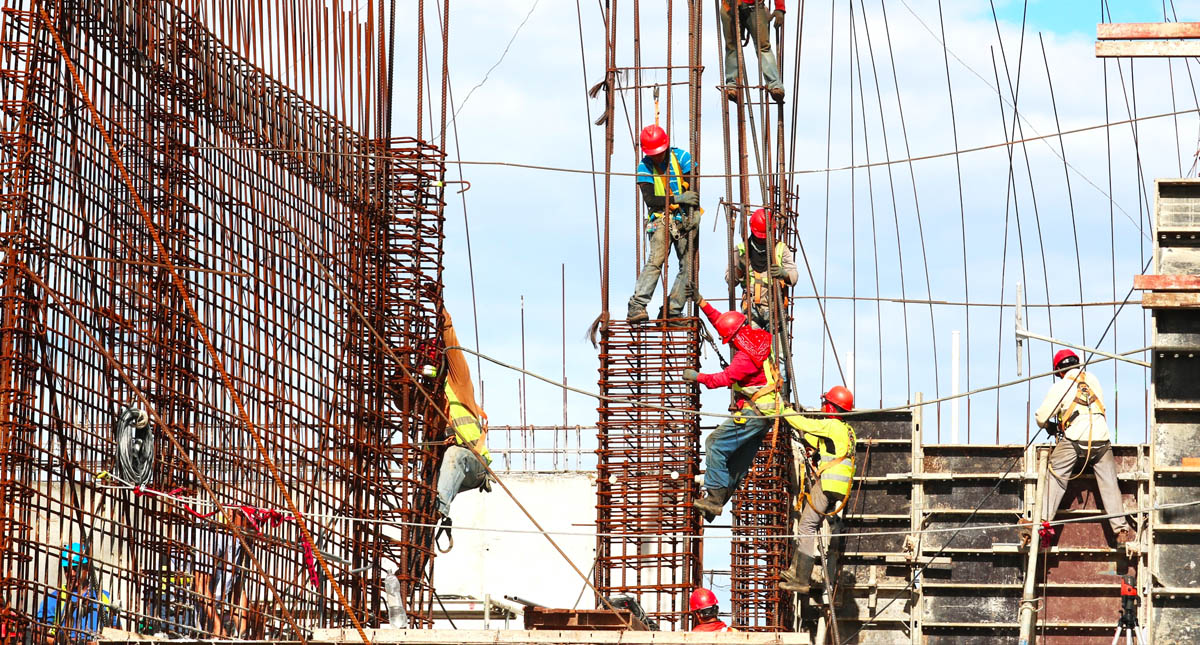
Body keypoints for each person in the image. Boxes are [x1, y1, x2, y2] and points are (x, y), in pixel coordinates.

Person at [1027, 348, 1135, 545]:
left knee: (1056, 475)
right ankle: (1120, 529)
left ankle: (1041, 522)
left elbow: (1041, 417)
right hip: (1102, 440)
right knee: (1110, 483)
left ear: (1059, 371)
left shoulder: (1061, 386)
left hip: (1076, 440)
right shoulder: (1093, 380)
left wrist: (1050, 426)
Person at [685, 297, 778, 521]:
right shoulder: (755, 338)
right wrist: (701, 302)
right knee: (737, 463)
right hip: (765, 412)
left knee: (714, 444)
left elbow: (725, 378)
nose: (729, 343)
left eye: (729, 340)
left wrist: (698, 377)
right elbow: (724, 323)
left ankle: (714, 499)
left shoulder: (745, 357)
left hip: (755, 412)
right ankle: (714, 505)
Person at [778, 386, 857, 593]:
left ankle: (802, 579)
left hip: (829, 483)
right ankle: (796, 569)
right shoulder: (847, 430)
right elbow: (819, 441)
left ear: (831, 407)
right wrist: (802, 437)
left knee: (807, 526)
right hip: (840, 487)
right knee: (810, 523)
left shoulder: (831, 424)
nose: (822, 407)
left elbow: (804, 423)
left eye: (825, 403)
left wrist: (783, 410)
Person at [627, 125, 700, 323]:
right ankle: (637, 305)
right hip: (660, 219)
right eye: (654, 154)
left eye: (659, 153)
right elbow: (650, 200)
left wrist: (690, 205)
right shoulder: (644, 167)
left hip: (683, 219)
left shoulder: (682, 158)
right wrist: (678, 198)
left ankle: (673, 310)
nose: (657, 157)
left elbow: (693, 187)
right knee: (656, 261)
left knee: (689, 266)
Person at [433, 310, 491, 544]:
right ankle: (431, 510)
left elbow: (452, 348)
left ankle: (440, 509)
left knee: (455, 454)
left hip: (475, 464)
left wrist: (442, 316)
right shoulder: (430, 399)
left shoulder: (457, 383)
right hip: (450, 470)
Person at [727, 208, 798, 330]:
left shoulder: (780, 249)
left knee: (779, 349)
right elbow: (730, 281)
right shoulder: (741, 250)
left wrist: (783, 274)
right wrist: (739, 268)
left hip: (775, 308)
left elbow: (794, 277)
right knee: (754, 347)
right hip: (751, 309)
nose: (762, 239)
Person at [36, 542, 117, 643]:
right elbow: (38, 634)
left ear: (87, 568)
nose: (71, 574)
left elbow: (117, 633)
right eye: (67, 569)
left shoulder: (104, 597)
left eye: (76, 568)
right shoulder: (54, 598)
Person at [721, 0, 786, 101]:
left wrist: (779, 8)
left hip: (754, 7)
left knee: (763, 47)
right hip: (729, 8)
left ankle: (774, 85)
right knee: (732, 47)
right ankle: (732, 85)